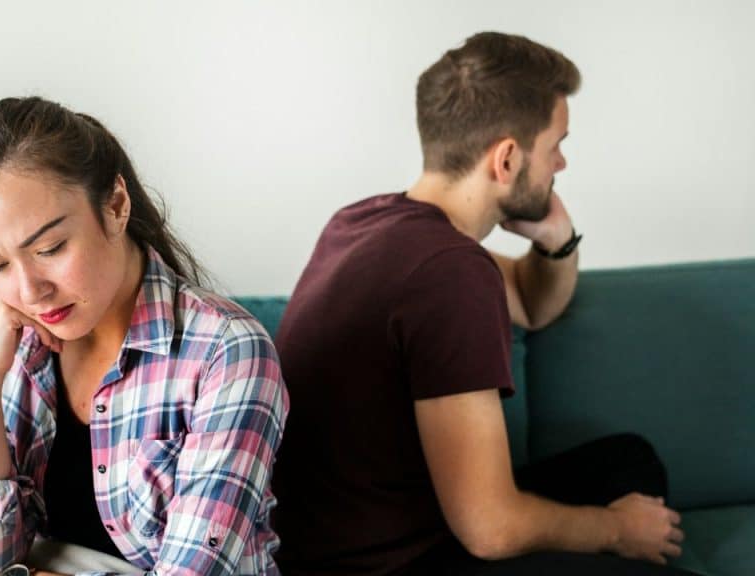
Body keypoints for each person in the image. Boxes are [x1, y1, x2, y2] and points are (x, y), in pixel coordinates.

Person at [271, 32, 695, 575]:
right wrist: (616, 530)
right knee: (633, 526)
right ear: (508, 158)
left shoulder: (365, 223)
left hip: (376, 529)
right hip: (391, 564)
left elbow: (532, 305)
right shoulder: (449, 271)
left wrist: (557, 238)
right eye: (555, 145)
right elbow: (491, 529)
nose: (561, 163)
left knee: (627, 462)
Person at [0, 97, 288, 576]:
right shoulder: (24, 342)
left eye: (50, 248)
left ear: (116, 206)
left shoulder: (227, 352)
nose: (30, 291)